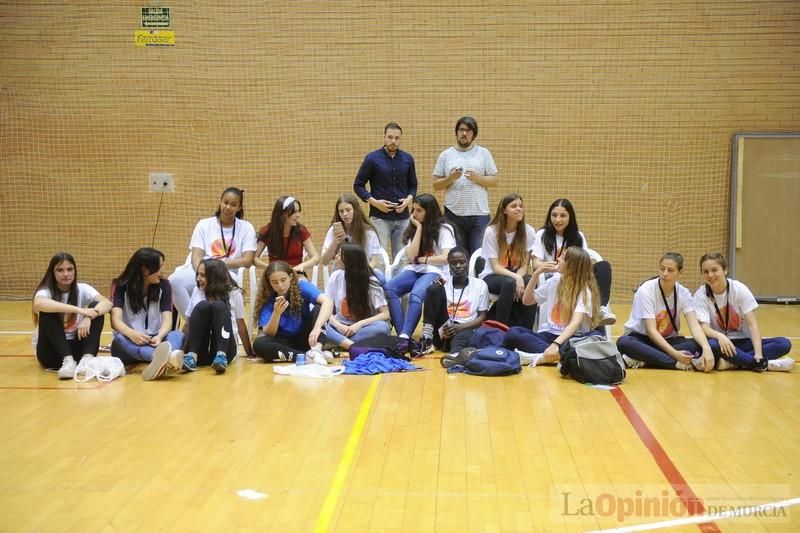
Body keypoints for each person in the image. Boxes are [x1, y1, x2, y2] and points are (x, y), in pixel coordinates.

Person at [693, 252, 794, 372]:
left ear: (725, 270)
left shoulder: (739, 289)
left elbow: (752, 324)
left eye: (714, 270)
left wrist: (758, 353)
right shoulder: (700, 295)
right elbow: (704, 328)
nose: (710, 275)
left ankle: (734, 363)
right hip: (720, 343)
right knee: (712, 345)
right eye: (705, 271)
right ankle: (761, 364)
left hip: (743, 342)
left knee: (783, 343)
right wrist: (720, 336)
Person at [616, 252, 714, 371]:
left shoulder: (684, 293)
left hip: (668, 340)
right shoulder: (646, 290)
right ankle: (674, 364)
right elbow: (651, 331)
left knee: (700, 343)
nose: (665, 273)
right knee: (624, 342)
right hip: (642, 339)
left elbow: (694, 326)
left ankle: (644, 359)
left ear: (680, 273)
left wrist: (706, 348)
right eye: (662, 269)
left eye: (670, 270)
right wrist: (675, 355)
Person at [169, 187, 256, 319]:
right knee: (173, 281)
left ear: (239, 208)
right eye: (225, 202)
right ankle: (194, 323)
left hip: (227, 273)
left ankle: (215, 326)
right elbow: (196, 255)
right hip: (201, 270)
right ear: (220, 202)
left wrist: (218, 267)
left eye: (233, 205)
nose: (228, 207)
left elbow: (247, 260)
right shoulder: (204, 224)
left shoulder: (246, 227)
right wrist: (202, 272)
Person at [503, 247, 600, 365]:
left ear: (572, 265)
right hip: (547, 336)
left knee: (595, 338)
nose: (558, 259)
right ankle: (556, 356)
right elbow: (527, 301)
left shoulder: (584, 290)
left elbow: (575, 323)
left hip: (569, 338)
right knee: (513, 332)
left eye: (562, 257)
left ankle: (546, 355)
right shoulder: (556, 280)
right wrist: (536, 274)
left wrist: (556, 344)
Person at [531, 198, 616, 326]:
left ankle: (601, 309)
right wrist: (557, 266)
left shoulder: (578, 236)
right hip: (554, 276)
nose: (557, 220)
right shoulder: (542, 234)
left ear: (570, 217)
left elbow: (585, 262)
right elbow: (536, 263)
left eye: (563, 216)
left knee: (603, 266)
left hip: (577, 277)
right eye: (554, 215)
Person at [384, 193, 456, 339]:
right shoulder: (414, 228)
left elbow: (445, 258)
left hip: (436, 272)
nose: (414, 214)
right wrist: (418, 229)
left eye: (419, 210)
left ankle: (405, 334)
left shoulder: (444, 229)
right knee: (389, 288)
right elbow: (411, 257)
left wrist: (423, 260)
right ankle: (401, 335)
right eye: (414, 209)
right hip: (414, 270)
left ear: (429, 212)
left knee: (416, 294)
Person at [32, 253, 112, 379]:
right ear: (52, 272)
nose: (66, 274)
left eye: (69, 269)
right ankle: (67, 360)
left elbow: (107, 303)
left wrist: (89, 316)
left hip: (77, 351)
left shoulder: (82, 288)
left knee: (96, 308)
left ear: (75, 270)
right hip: (51, 354)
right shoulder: (45, 291)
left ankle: (87, 360)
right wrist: (80, 310)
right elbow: (38, 304)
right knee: (48, 312)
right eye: (60, 270)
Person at [111, 248, 186, 380]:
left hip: (156, 341)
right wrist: (132, 334)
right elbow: (115, 320)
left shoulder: (165, 285)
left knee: (177, 334)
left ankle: (161, 359)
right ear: (145, 270)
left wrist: (160, 335)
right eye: (159, 267)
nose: (163, 271)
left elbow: (167, 320)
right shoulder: (120, 286)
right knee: (119, 339)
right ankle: (164, 358)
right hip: (130, 342)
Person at [432, 116, 498, 255]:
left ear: (473, 134)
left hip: (479, 215)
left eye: (468, 130)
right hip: (453, 215)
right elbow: (436, 185)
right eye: (461, 130)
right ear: (456, 132)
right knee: (456, 257)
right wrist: (450, 178)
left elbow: (494, 181)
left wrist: (477, 178)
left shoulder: (484, 153)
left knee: (478, 257)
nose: (464, 134)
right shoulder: (446, 155)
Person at [353, 122, 418, 259]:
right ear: (384, 138)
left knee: (402, 259)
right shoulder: (372, 158)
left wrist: (408, 201)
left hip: (403, 218)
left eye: (397, 138)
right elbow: (358, 185)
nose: (393, 141)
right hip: (379, 218)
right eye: (390, 137)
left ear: (400, 139)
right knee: (379, 259)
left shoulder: (408, 159)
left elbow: (413, 186)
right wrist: (375, 203)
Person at [181, 258, 254, 374]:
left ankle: (221, 356)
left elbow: (240, 324)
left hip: (226, 348)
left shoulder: (234, 293)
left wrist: (250, 352)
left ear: (215, 277)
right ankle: (192, 356)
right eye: (198, 274)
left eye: (202, 275)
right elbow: (189, 323)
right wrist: (179, 351)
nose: (198, 278)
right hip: (201, 351)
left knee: (219, 306)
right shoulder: (197, 290)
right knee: (202, 306)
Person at [252, 261, 334, 363]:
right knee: (259, 345)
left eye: (283, 280)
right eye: (275, 282)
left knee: (320, 307)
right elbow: (269, 333)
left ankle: (317, 350)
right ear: (269, 282)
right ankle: (307, 357)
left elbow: (328, 301)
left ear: (290, 277)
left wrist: (317, 327)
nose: (280, 285)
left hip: (306, 337)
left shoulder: (302, 286)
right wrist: (276, 313)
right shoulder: (266, 298)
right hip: (284, 343)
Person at [479, 193, 537, 328]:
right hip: (492, 276)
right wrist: (516, 277)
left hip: (516, 275)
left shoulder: (528, 231)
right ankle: (499, 330)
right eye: (514, 206)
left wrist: (519, 277)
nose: (519, 209)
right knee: (509, 283)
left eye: (521, 206)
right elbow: (495, 267)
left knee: (530, 282)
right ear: (504, 210)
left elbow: (524, 265)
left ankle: (526, 331)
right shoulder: (492, 231)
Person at [419, 247, 490, 355]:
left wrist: (459, 327)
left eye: (462, 262)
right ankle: (427, 338)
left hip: (466, 327)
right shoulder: (442, 282)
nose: (458, 266)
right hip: (443, 329)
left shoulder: (480, 285)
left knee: (460, 340)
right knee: (433, 288)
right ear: (449, 265)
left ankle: (456, 356)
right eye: (453, 263)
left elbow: (482, 317)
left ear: (468, 262)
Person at [323, 244, 391, 351]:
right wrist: (338, 325)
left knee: (383, 328)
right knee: (319, 322)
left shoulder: (371, 281)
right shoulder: (335, 277)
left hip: (363, 328)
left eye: (340, 255)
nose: (336, 256)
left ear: (349, 261)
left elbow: (385, 314)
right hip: (340, 326)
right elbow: (325, 309)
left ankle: (338, 342)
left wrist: (360, 324)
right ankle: (350, 344)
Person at [320, 194, 384, 276]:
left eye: (348, 210)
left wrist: (362, 275)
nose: (345, 214)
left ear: (356, 210)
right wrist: (335, 242)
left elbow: (374, 261)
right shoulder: (333, 231)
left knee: (381, 279)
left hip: (364, 273)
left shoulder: (368, 232)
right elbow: (325, 261)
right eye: (341, 211)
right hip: (341, 273)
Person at [255, 196, 319, 276]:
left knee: (311, 289)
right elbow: (255, 258)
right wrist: (269, 267)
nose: (298, 215)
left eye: (298, 211)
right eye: (294, 212)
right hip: (275, 275)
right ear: (283, 214)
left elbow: (316, 257)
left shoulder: (301, 231)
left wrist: (301, 266)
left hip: (296, 274)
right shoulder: (268, 231)